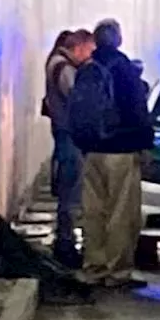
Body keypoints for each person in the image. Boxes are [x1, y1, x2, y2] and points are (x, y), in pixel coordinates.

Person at [69, 19, 154, 289]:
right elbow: (137, 110)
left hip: (92, 150)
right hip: (121, 150)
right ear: (118, 39)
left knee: (93, 211)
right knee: (121, 212)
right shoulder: (124, 68)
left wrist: (83, 142)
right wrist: (145, 143)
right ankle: (118, 271)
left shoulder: (86, 69)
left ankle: (94, 266)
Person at [43, 29, 94, 269]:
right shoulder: (63, 68)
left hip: (64, 135)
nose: (89, 56)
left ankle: (65, 241)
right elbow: (77, 98)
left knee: (68, 189)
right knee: (71, 192)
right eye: (88, 50)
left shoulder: (57, 63)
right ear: (79, 47)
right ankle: (65, 244)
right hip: (69, 136)